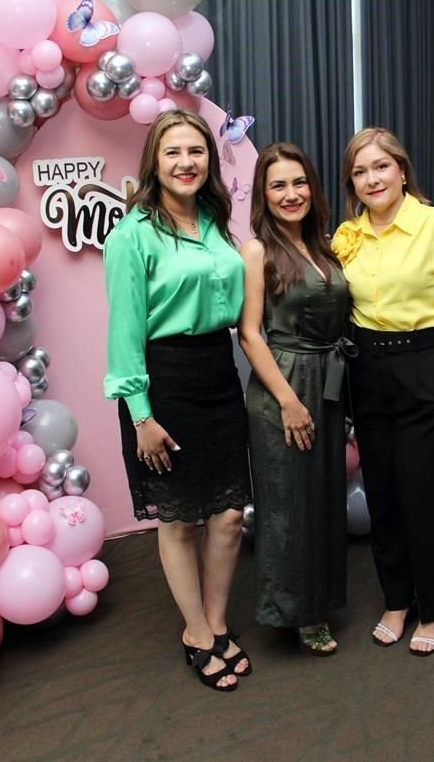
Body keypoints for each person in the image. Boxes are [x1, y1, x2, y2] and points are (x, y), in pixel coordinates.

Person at [103, 109, 252, 693]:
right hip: (163, 384)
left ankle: (216, 621)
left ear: (209, 161)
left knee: (230, 515)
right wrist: (141, 414)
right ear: (154, 162)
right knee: (180, 519)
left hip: (219, 376)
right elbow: (123, 336)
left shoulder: (217, 221)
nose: (187, 162)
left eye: (196, 151)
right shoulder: (132, 233)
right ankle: (197, 631)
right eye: (173, 152)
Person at [332, 128, 434, 656]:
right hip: (367, 370)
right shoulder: (347, 235)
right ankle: (397, 599)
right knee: (385, 496)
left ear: (402, 169)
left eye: (380, 167)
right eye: (360, 172)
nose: (372, 179)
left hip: (428, 364)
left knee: (426, 496)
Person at [238, 143, 351, 656]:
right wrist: (287, 400)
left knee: (322, 496)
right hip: (283, 383)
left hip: (326, 381)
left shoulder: (323, 245)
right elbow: (251, 334)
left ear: (313, 187)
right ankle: (296, 612)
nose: (291, 194)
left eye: (299, 182)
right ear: (263, 193)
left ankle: (319, 598)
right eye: (278, 185)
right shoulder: (257, 249)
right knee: (288, 503)